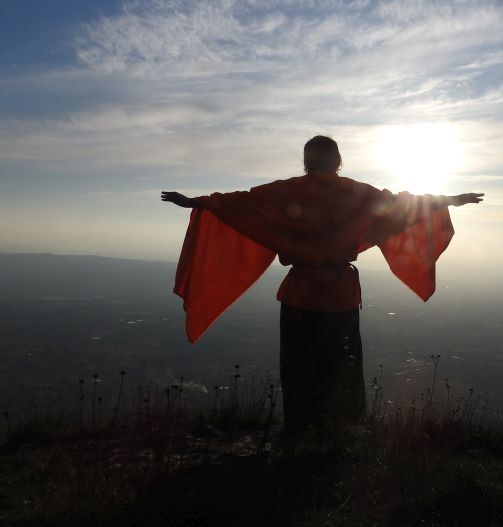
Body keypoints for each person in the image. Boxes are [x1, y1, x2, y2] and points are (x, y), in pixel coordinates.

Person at [162, 135, 483, 435]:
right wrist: (452, 199)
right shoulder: (355, 194)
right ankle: (343, 432)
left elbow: (240, 205)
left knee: (299, 368)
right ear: (338, 161)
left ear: (306, 161)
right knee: (341, 367)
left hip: (299, 295)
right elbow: (405, 205)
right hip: (339, 296)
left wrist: (196, 202)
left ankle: (300, 432)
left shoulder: (287, 192)